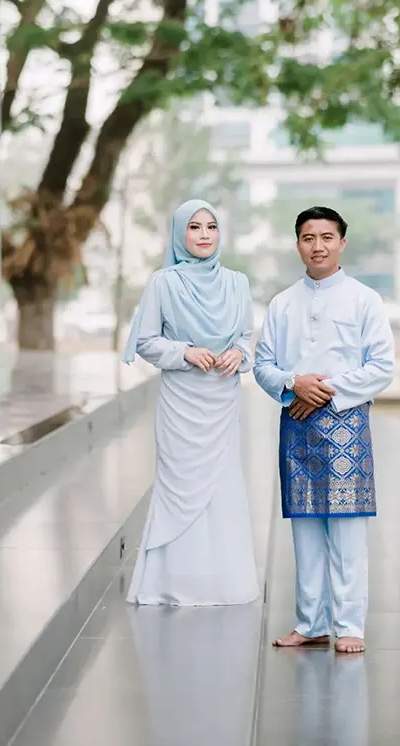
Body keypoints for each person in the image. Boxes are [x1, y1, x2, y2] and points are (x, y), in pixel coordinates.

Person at [253, 205, 395, 653]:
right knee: (306, 530)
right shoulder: (281, 303)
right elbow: (262, 365)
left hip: (346, 426)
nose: (318, 246)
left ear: (342, 243)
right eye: (308, 237)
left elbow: (382, 367)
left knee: (348, 530)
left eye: (326, 237)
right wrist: (292, 385)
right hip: (296, 424)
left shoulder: (364, 299)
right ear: (297, 243)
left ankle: (350, 624)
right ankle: (310, 622)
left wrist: (324, 389)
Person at [122, 199, 259, 606]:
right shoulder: (163, 283)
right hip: (181, 403)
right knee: (179, 488)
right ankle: (172, 585)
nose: (203, 235)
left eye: (211, 227)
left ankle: (223, 584)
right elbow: (146, 342)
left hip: (221, 400)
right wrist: (184, 352)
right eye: (194, 227)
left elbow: (246, 339)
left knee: (222, 487)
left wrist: (239, 355)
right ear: (180, 234)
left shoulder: (237, 283)